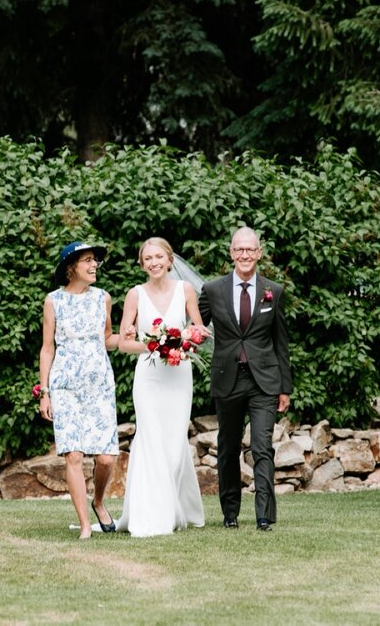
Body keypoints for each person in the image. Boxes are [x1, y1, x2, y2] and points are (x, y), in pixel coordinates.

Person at [197, 227, 292, 532]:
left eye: (250, 250)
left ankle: (263, 515)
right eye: (239, 250)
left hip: (264, 381)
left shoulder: (273, 291)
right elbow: (195, 325)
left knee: (262, 446)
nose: (245, 255)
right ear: (231, 253)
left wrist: (284, 388)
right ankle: (230, 513)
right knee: (227, 447)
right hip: (228, 379)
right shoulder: (213, 290)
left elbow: (281, 343)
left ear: (259, 253)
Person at [115, 237, 207, 537]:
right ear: (142, 264)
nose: (154, 263)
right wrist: (152, 344)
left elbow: (198, 331)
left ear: (169, 260)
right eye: (148, 259)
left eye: (158, 257)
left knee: (174, 444)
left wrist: (184, 339)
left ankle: (178, 508)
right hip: (149, 378)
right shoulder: (134, 295)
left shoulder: (186, 290)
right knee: (150, 440)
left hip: (179, 376)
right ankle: (154, 515)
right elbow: (123, 343)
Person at [38, 241, 120, 540]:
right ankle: (85, 525)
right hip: (65, 385)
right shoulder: (54, 301)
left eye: (95, 260)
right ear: (71, 267)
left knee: (106, 458)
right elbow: (47, 349)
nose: (94, 265)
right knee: (73, 455)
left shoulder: (103, 299)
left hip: (99, 382)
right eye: (87, 260)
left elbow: (107, 338)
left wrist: (137, 338)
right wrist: (45, 391)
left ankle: (98, 501)